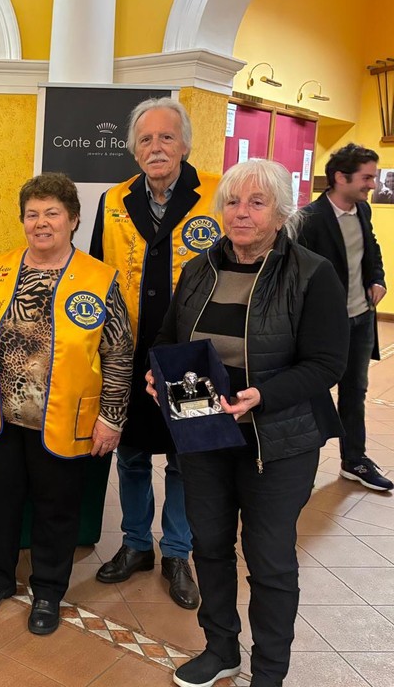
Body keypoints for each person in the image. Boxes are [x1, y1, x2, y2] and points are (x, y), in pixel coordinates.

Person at [149, 159, 347, 687]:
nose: (242, 213)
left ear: (281, 213)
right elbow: (169, 338)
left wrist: (262, 396)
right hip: (204, 432)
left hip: (278, 441)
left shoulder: (312, 274)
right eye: (233, 202)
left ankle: (270, 672)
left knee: (270, 558)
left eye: (257, 203)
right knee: (210, 544)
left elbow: (327, 364)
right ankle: (221, 649)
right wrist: (157, 374)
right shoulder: (199, 269)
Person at [0, 173, 132, 635]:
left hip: (66, 418)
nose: (41, 222)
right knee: (0, 502)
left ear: (73, 219)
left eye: (52, 213)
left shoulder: (99, 279)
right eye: (32, 214)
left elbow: (118, 353)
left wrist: (112, 417)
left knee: (56, 509)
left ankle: (48, 590)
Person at [90, 97, 217, 609]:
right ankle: (137, 544)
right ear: (134, 149)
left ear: (185, 144)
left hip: (192, 354)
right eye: (146, 139)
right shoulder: (113, 200)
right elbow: (96, 272)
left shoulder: (216, 194)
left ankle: (178, 553)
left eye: (167, 137)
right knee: (132, 452)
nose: (156, 147)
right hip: (130, 350)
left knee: (187, 456)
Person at [297, 143, 391, 491]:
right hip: (324, 327)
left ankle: (355, 459)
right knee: (312, 392)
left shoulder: (362, 210)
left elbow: (372, 249)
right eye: (367, 177)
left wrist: (378, 279)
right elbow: (298, 277)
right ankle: (297, 463)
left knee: (355, 391)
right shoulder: (310, 220)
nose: (372, 185)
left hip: (361, 319)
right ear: (340, 177)